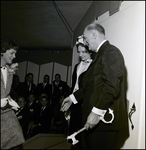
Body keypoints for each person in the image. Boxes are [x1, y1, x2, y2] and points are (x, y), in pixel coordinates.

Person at [61, 23, 129, 149]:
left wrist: (96, 113)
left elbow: (111, 86)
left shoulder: (111, 52)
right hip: (97, 124)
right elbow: (90, 85)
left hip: (104, 124)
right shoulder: (99, 56)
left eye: (86, 39)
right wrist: (72, 98)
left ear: (94, 35)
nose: (86, 43)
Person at [67, 35, 93, 149]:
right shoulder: (77, 66)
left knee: (84, 138)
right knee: (74, 136)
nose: (81, 55)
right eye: (79, 52)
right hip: (75, 104)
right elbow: (74, 87)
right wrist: (69, 105)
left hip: (86, 105)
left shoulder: (94, 66)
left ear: (90, 51)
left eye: (84, 52)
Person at [1, 37, 25, 149]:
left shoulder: (8, 71)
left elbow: (4, 93)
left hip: (7, 114)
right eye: (12, 53)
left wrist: (11, 101)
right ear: (2, 50)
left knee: (17, 139)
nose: (14, 56)